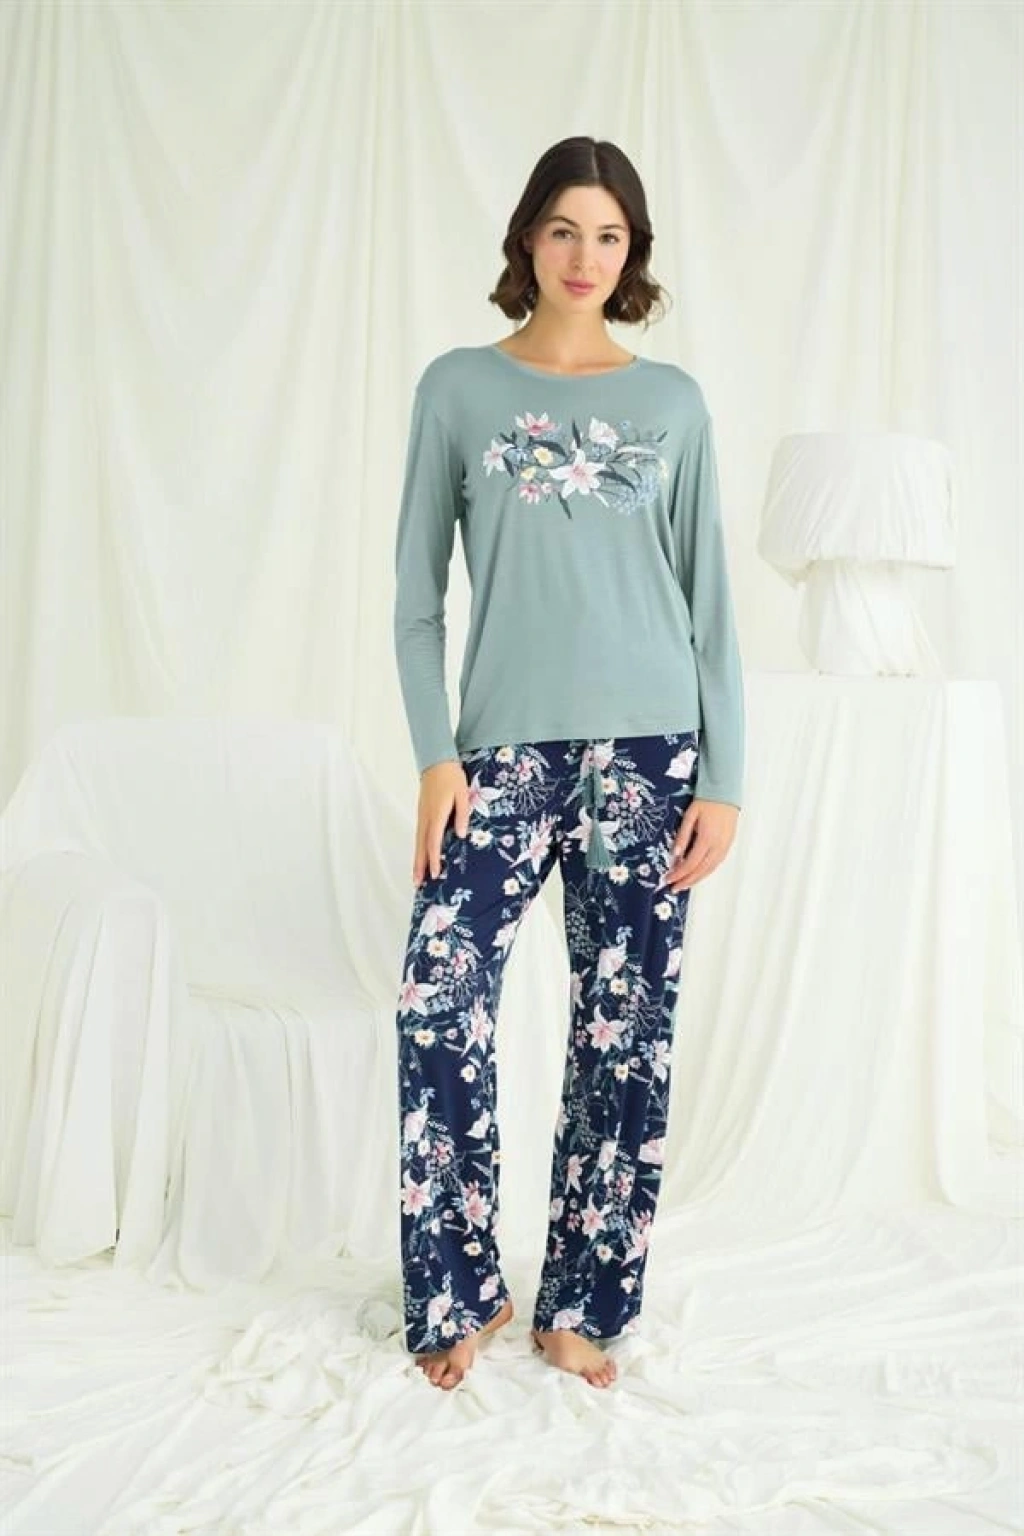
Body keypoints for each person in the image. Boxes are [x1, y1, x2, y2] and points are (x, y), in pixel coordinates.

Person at [391, 135, 744, 1391]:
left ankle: (584, 1303)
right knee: (437, 1004)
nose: (584, 256)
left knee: (623, 1030)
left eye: (608, 235)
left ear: (630, 251)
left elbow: (711, 603)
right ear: (526, 238)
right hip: (497, 757)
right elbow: (416, 599)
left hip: (652, 756)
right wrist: (436, 759)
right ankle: (460, 1286)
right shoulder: (458, 389)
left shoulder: (673, 404)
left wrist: (724, 777)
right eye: (562, 229)